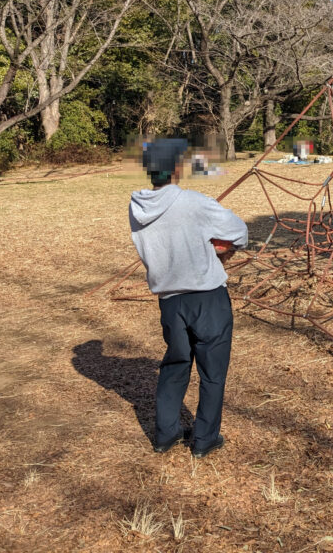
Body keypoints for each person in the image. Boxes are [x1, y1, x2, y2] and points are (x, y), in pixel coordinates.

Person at [129, 138, 248, 458]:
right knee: (212, 373)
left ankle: (165, 435)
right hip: (207, 298)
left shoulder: (136, 207)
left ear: (149, 172)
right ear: (178, 169)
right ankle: (204, 439)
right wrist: (216, 248)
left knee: (175, 365)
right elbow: (240, 233)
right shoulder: (195, 202)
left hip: (169, 301)